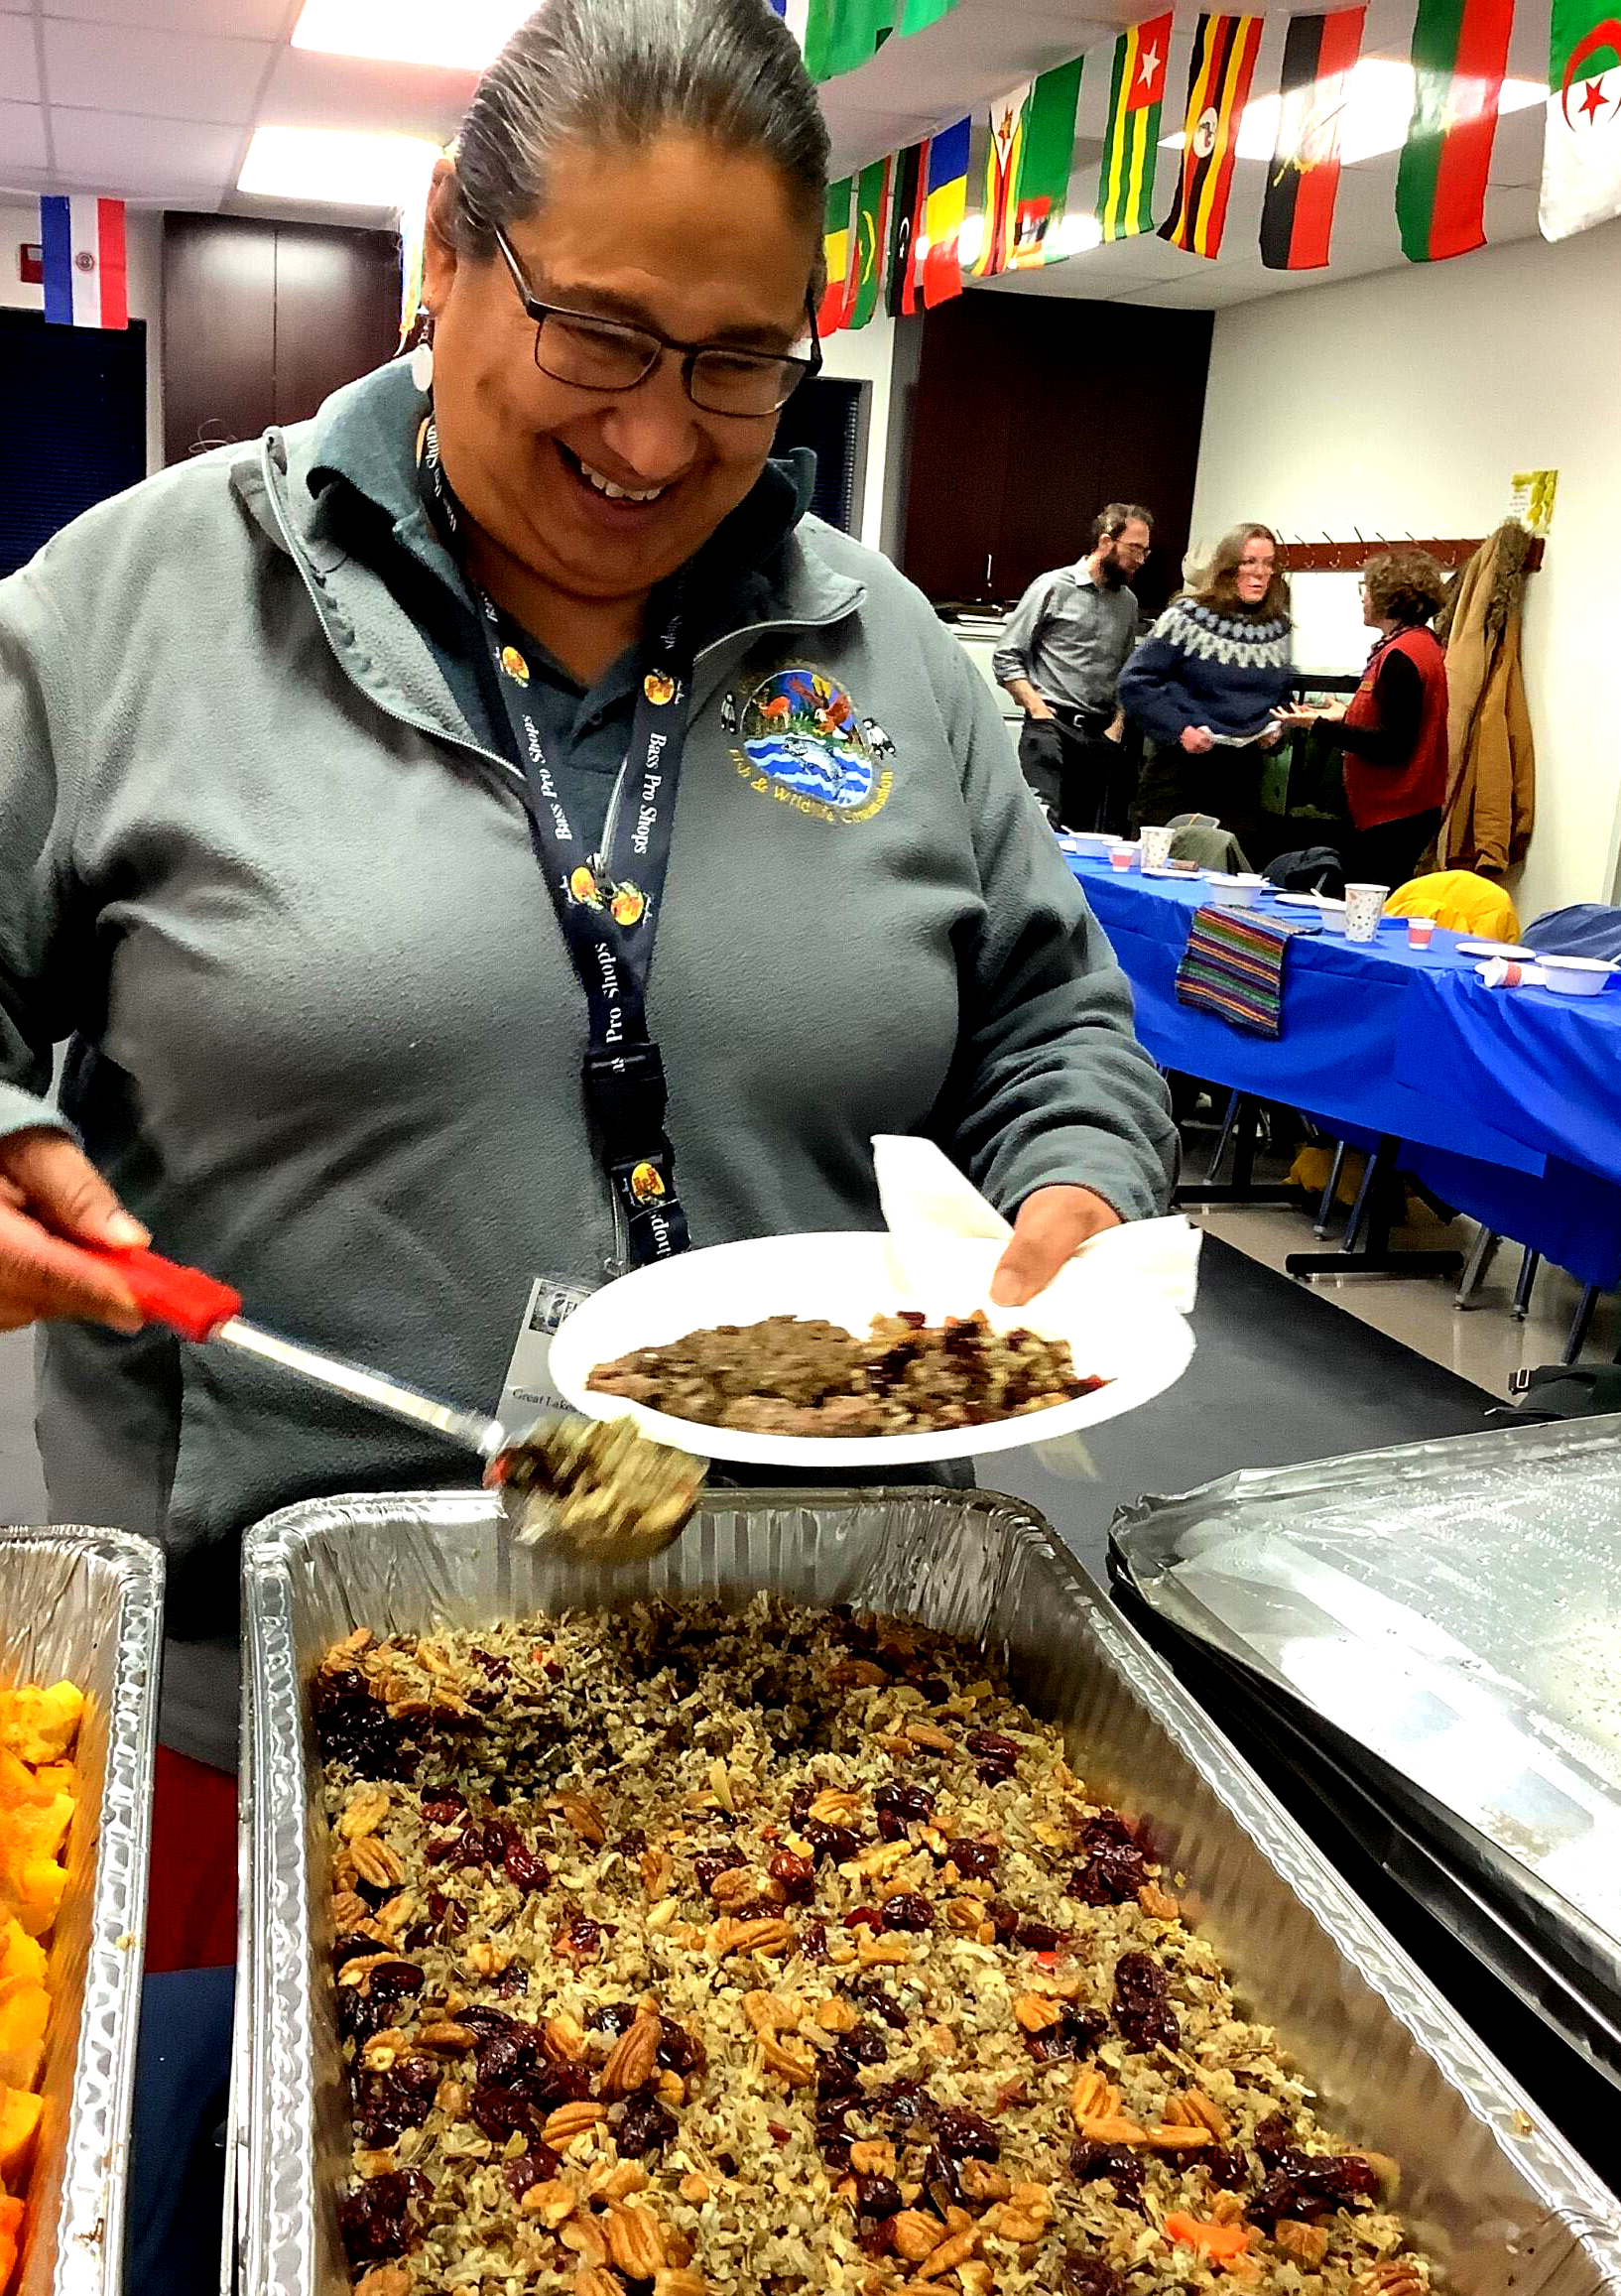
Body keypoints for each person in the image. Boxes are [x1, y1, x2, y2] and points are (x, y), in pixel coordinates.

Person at [0, 0, 1176, 1961]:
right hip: (277, 1713)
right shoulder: (129, 611)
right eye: (602, 337)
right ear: (447, 248)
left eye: (734, 365)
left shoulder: (877, 646)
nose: (653, 436)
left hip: (819, 1705)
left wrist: (1074, 1182)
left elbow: (1052, 1022)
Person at [1118, 523, 1294, 867]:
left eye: (1268, 564)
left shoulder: (1279, 628)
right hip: (1181, 769)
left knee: (1227, 873)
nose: (1259, 573)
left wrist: (1277, 731)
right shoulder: (1186, 617)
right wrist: (1180, 729)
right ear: (1229, 567)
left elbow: (1280, 697)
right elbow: (1135, 682)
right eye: (1249, 562)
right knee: (1162, 869)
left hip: (1240, 775)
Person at [1278, 550, 1449, 888]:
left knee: (1369, 908)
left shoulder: (1402, 656)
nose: (1364, 599)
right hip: (1401, 810)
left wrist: (1320, 726)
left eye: (1368, 589)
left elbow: (1391, 743)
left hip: (1395, 813)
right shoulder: (1417, 644)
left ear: (1390, 598)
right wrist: (1348, 713)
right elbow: (1397, 715)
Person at [992, 504, 1153, 833]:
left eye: (1145, 551)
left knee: (1084, 839)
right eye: (1134, 548)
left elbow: (1126, 673)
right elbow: (1006, 656)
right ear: (1107, 543)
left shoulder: (1128, 603)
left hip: (1099, 737)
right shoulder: (1052, 587)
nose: (1140, 559)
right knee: (1041, 832)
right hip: (1051, 728)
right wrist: (1037, 709)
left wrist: (1117, 728)